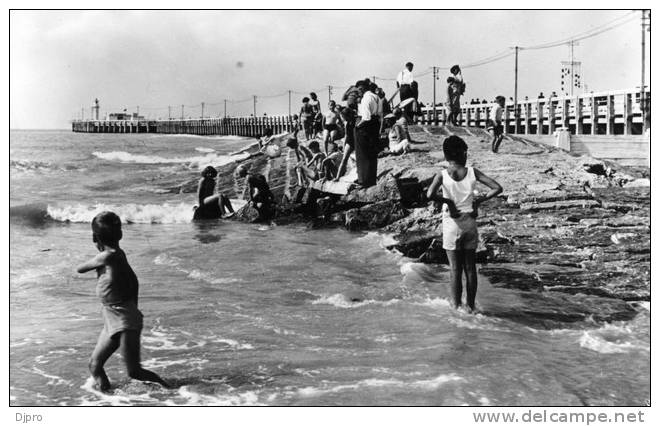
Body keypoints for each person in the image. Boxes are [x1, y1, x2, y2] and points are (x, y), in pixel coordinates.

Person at [76, 211, 170, 392]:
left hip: (124, 319)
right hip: (113, 315)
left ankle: (171, 391)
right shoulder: (118, 254)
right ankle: (107, 398)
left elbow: (80, 269)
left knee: (134, 371)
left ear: (94, 237)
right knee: (94, 365)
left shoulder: (107, 256)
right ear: (120, 235)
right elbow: (133, 283)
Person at [426, 136, 503, 312]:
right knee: (470, 268)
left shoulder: (443, 174)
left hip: (452, 224)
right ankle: (471, 306)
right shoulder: (472, 172)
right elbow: (497, 188)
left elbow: (430, 194)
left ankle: (455, 308)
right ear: (464, 153)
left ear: (446, 156)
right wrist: (477, 202)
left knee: (455, 269)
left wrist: (449, 203)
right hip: (470, 223)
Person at [354, 79, 380, 187]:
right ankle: (371, 179)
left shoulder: (365, 99)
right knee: (372, 154)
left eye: (359, 89)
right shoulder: (376, 97)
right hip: (375, 124)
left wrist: (357, 126)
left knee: (362, 154)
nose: (358, 92)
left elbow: (366, 118)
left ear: (363, 88)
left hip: (366, 127)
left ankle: (364, 180)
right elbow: (379, 113)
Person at [334, 84, 360, 181]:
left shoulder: (354, 121)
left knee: (356, 160)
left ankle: (358, 176)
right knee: (344, 160)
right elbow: (346, 135)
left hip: (355, 141)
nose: (341, 119)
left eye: (342, 117)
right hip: (351, 141)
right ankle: (337, 177)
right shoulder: (348, 122)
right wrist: (345, 144)